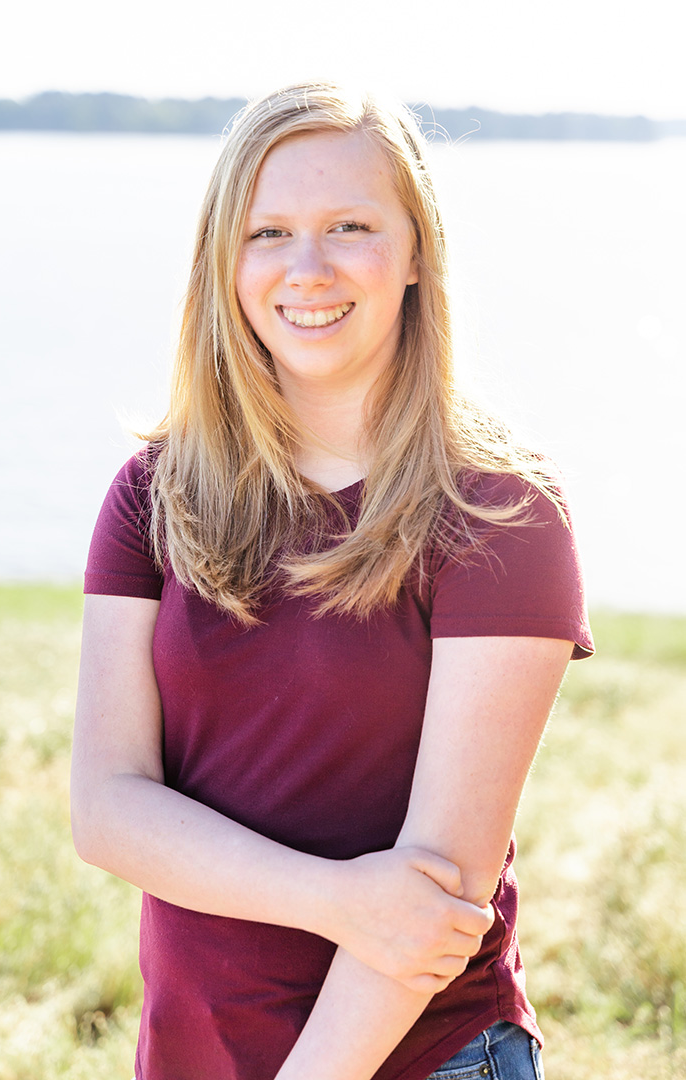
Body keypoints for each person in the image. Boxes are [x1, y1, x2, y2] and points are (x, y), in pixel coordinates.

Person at [71, 81, 593, 1080]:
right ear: (225, 263)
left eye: (348, 225)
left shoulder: (497, 512)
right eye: (267, 231)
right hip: (191, 1055)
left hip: (423, 1055)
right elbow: (108, 809)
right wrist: (339, 896)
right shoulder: (155, 493)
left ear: (412, 256)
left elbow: (437, 892)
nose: (304, 269)